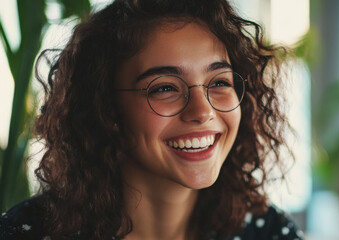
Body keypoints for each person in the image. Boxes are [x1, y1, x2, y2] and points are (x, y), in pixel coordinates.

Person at [0, 0, 303, 239]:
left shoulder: (267, 231)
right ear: (106, 108)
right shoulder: (26, 233)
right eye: (165, 88)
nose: (202, 111)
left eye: (219, 82)